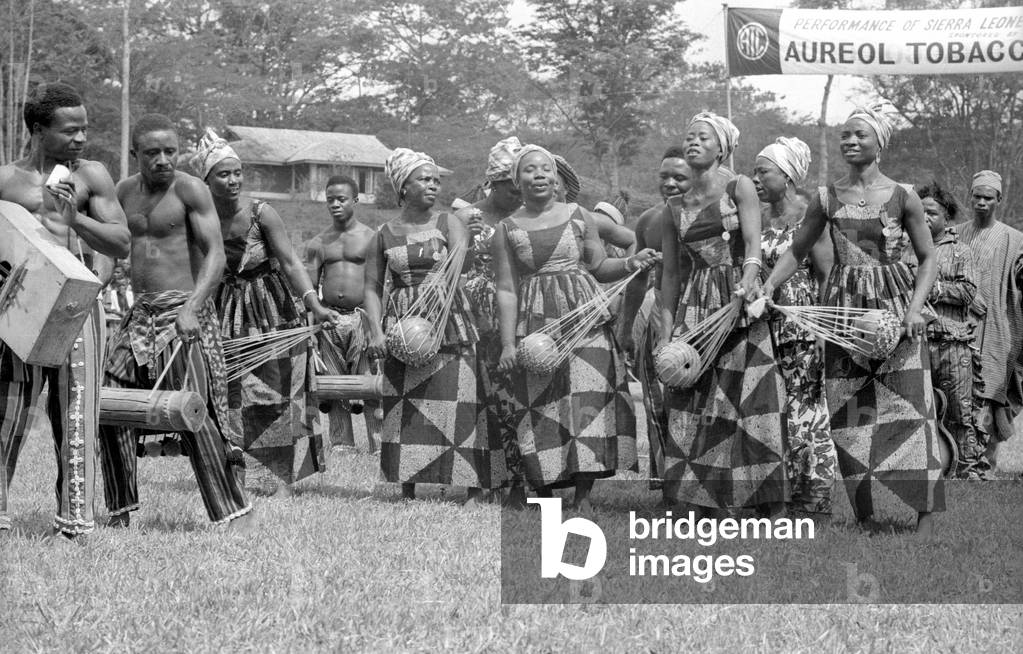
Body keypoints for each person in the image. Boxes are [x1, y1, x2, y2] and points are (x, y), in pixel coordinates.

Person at [761, 104, 944, 534]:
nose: (850, 141)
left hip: (895, 311)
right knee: (847, 414)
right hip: (843, 313)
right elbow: (796, 251)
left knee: (914, 410)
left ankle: (927, 521)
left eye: (860, 134)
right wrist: (768, 286)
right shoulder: (826, 198)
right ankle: (866, 518)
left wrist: (915, 308)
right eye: (845, 135)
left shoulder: (904, 195)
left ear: (880, 143)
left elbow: (927, 257)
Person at [99, 114, 253, 530]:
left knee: (196, 414)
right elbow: (110, 252)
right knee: (110, 404)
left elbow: (216, 254)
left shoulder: (191, 189)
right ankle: (120, 511)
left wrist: (194, 307)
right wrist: (92, 291)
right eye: (153, 153)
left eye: (170, 151)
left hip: (185, 312)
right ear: (136, 155)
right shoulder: (122, 192)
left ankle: (233, 514)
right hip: (139, 313)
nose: (163, 160)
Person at [492, 144, 658, 514]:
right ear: (517, 182)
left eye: (545, 169)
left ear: (556, 178)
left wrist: (632, 262)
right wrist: (507, 345)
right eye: (529, 170)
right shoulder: (506, 228)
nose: (538, 175)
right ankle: (545, 489)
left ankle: (583, 496)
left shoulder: (578, 214)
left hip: (586, 320)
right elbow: (506, 288)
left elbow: (599, 267)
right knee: (541, 403)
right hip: (537, 326)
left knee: (589, 400)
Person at [0, 82, 130, 539]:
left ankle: (76, 525)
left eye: (84, 130)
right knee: (7, 414)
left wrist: (76, 218)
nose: (80, 139)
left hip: (78, 306)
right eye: (70, 130)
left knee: (76, 416)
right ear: (37, 129)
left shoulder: (92, 176)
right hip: (18, 311)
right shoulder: (5, 181)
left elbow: (121, 242)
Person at [190, 128, 341, 497]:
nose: (233, 180)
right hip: (225, 313)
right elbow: (197, 270)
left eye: (237, 172)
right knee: (230, 393)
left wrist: (314, 304)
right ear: (206, 180)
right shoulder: (200, 220)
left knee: (276, 391)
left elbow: (290, 263)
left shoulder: (262, 213)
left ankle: (278, 479)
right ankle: (236, 472)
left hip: (272, 312)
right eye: (223, 174)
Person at [658, 112, 788, 518]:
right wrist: (666, 333)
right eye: (689, 135)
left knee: (752, 397)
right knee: (695, 398)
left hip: (737, 301)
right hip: (696, 306)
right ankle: (702, 502)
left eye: (704, 137)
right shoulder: (673, 206)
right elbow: (670, 275)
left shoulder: (739, 186)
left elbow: (753, 242)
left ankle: (771, 505)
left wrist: (750, 277)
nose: (694, 142)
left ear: (722, 148)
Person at [365, 148, 505, 502]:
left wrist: (471, 241)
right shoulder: (383, 233)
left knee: (461, 400)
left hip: (449, 320)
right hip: (403, 328)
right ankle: (408, 484)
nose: (432, 185)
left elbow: (462, 265)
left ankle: (472, 488)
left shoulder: (448, 223)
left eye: (435, 180)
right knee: (408, 403)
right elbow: (371, 288)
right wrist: (377, 333)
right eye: (424, 179)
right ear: (403, 187)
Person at [753, 136, 836, 515]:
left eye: (763, 171)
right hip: (761, 323)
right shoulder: (755, 218)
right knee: (771, 408)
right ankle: (771, 492)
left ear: (786, 176)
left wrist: (820, 330)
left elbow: (825, 275)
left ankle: (810, 497)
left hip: (800, 323)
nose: (755, 179)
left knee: (804, 407)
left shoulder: (809, 216)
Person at [454, 136, 527, 507]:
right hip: (473, 315)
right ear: (492, 183)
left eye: (521, 186)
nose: (517, 194)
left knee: (515, 400)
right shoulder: (466, 214)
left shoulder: (528, 215)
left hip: (516, 312)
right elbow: (452, 267)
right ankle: (476, 485)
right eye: (509, 187)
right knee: (475, 400)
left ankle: (517, 485)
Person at [618, 145, 690, 504]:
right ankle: (669, 490)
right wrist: (625, 327)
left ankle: (703, 486)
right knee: (658, 404)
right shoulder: (648, 221)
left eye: (680, 176)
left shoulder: (710, 217)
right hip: (657, 322)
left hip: (696, 318)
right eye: (665, 176)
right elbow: (637, 280)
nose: (671, 183)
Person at [913, 181, 986, 479]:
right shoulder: (906, 249)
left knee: (959, 411)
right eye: (921, 212)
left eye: (932, 212)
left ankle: (968, 470)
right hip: (917, 344)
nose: (926, 218)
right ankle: (927, 470)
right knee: (920, 412)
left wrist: (931, 287)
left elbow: (968, 291)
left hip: (952, 345)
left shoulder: (960, 251)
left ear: (946, 216)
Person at [304, 174, 381, 453]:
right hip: (329, 320)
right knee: (334, 384)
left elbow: (377, 286)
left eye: (341, 199)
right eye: (330, 200)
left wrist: (376, 326)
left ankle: (378, 442)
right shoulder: (318, 243)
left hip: (362, 318)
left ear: (356, 201)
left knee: (371, 382)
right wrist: (311, 332)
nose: (335, 204)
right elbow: (310, 290)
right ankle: (342, 443)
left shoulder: (372, 238)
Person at [957, 170, 1023, 470]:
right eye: (977, 196)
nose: (981, 202)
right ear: (970, 197)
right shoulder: (955, 234)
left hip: (997, 329)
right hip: (958, 327)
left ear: (999, 199)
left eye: (988, 197)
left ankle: (986, 462)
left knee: (992, 393)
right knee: (958, 393)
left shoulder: (1015, 240)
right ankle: (957, 460)